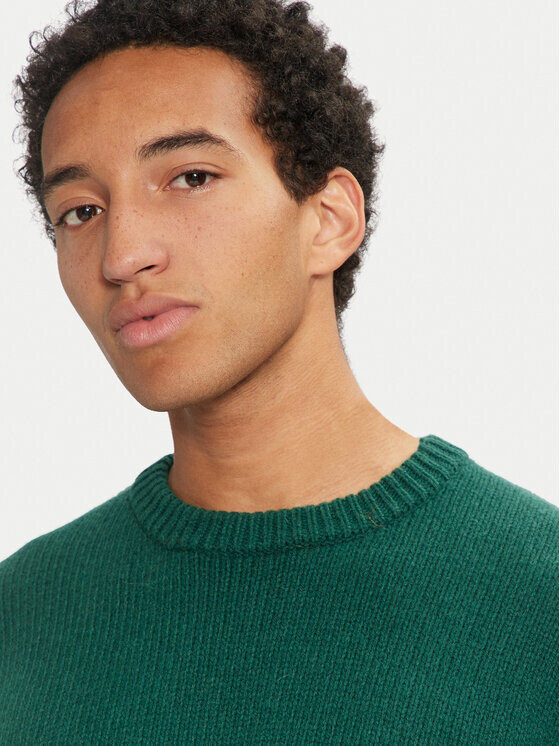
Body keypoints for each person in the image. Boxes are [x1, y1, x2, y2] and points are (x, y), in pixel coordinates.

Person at [1, 0, 557, 742]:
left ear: (329, 219)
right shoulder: (23, 617)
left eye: (191, 177)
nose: (122, 255)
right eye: (80, 211)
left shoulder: (538, 599)